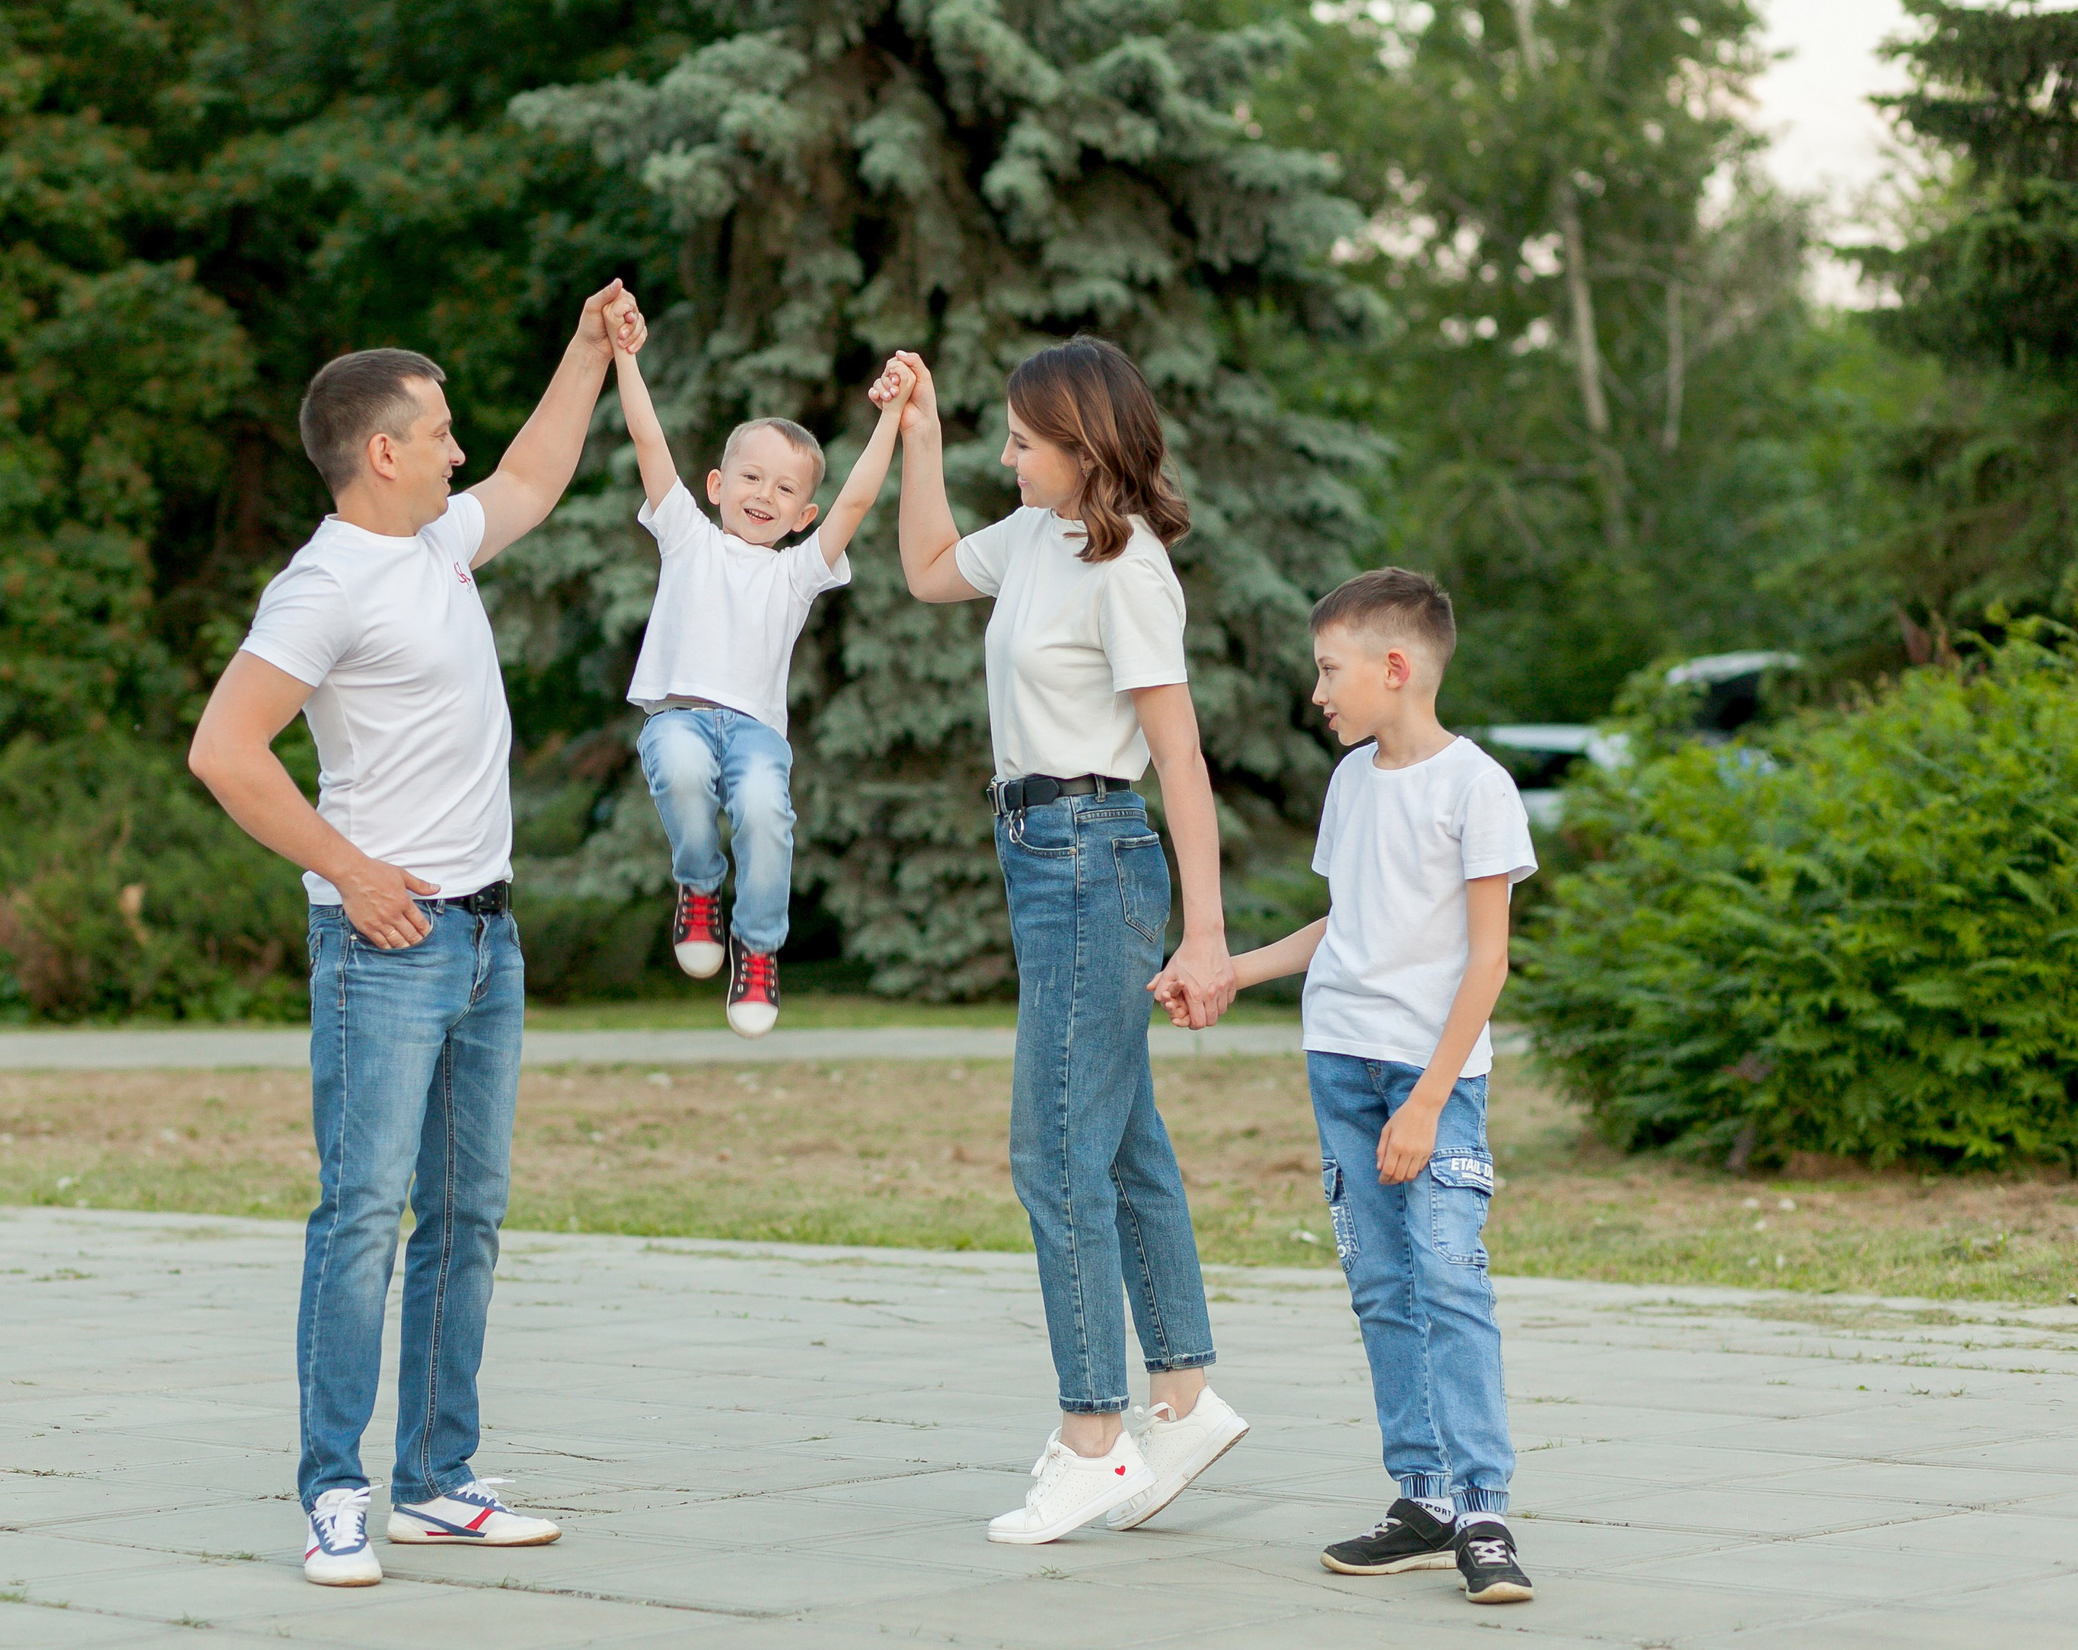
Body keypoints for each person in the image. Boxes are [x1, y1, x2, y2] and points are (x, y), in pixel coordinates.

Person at [186, 280, 634, 1587]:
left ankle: (439, 1480)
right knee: (364, 1212)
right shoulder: (324, 585)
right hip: (385, 949)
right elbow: (226, 748)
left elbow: (538, 474)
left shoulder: (434, 544)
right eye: (437, 428)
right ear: (381, 449)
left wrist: (589, 347)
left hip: (487, 941)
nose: (457, 446)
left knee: (466, 1215)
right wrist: (350, 869)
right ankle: (336, 1489)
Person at [889, 338, 1250, 1544]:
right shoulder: (1037, 538)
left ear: (1083, 445)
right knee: (1119, 1139)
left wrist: (1204, 936)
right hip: (1040, 855)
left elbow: (1183, 759)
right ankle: (1185, 1401)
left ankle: (1093, 1437)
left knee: (1052, 1153)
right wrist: (922, 434)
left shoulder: (1129, 569)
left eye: (1022, 441)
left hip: (1096, 853)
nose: (1008, 456)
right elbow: (931, 571)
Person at [1222, 567, 1538, 1605]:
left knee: (1447, 1275)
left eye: (1329, 669)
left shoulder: (1473, 786)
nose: (1317, 693)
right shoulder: (1351, 780)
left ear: (1393, 669)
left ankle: (1483, 1509)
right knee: (1380, 1286)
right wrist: (1232, 969)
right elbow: (1342, 927)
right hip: (1339, 1061)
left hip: (1429, 1074)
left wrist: (1425, 1100)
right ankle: (1424, 1497)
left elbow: (1486, 962)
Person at [610, 301, 915, 1036]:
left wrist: (892, 416)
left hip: (754, 734)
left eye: (785, 489)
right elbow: (649, 440)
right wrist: (625, 357)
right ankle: (700, 887)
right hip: (679, 713)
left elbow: (861, 496)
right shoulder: (687, 537)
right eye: (752, 477)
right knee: (681, 767)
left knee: (764, 814)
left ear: (803, 515)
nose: (764, 496)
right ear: (716, 485)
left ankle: (758, 949)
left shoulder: (797, 573)